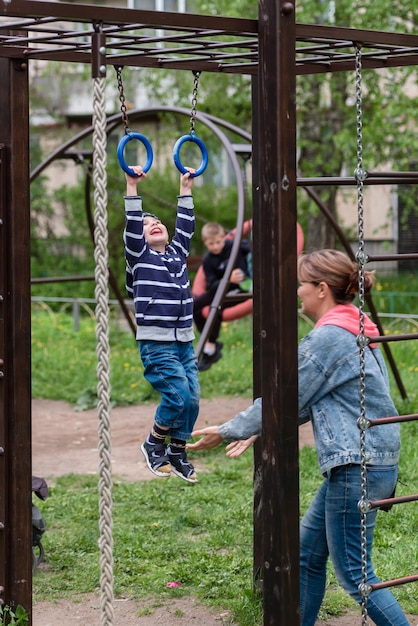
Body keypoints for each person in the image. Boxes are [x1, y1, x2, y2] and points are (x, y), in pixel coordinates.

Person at [188, 249, 409, 625]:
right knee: (307, 555)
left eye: (301, 285)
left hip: (358, 465)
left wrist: (228, 429)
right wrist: (262, 427)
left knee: (357, 576)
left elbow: (285, 397)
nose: (297, 292)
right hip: (368, 459)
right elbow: (309, 399)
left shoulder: (328, 338)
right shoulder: (355, 325)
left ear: (322, 289)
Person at [124, 164, 200, 483]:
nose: (153, 224)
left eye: (157, 222)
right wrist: (132, 187)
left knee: (192, 399)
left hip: (184, 340)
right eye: (147, 224)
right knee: (178, 395)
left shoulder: (177, 255)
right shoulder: (140, 258)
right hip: (156, 343)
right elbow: (132, 225)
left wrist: (185, 190)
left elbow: (185, 228)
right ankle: (154, 443)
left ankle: (177, 451)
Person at [193, 221, 252, 372]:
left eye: (218, 242)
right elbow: (212, 283)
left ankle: (210, 349)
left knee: (216, 308)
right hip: (220, 289)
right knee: (194, 305)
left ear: (223, 238)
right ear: (206, 243)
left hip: (240, 291)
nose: (215, 246)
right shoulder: (208, 260)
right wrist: (227, 279)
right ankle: (209, 342)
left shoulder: (234, 245)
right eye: (211, 244)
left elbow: (254, 248)